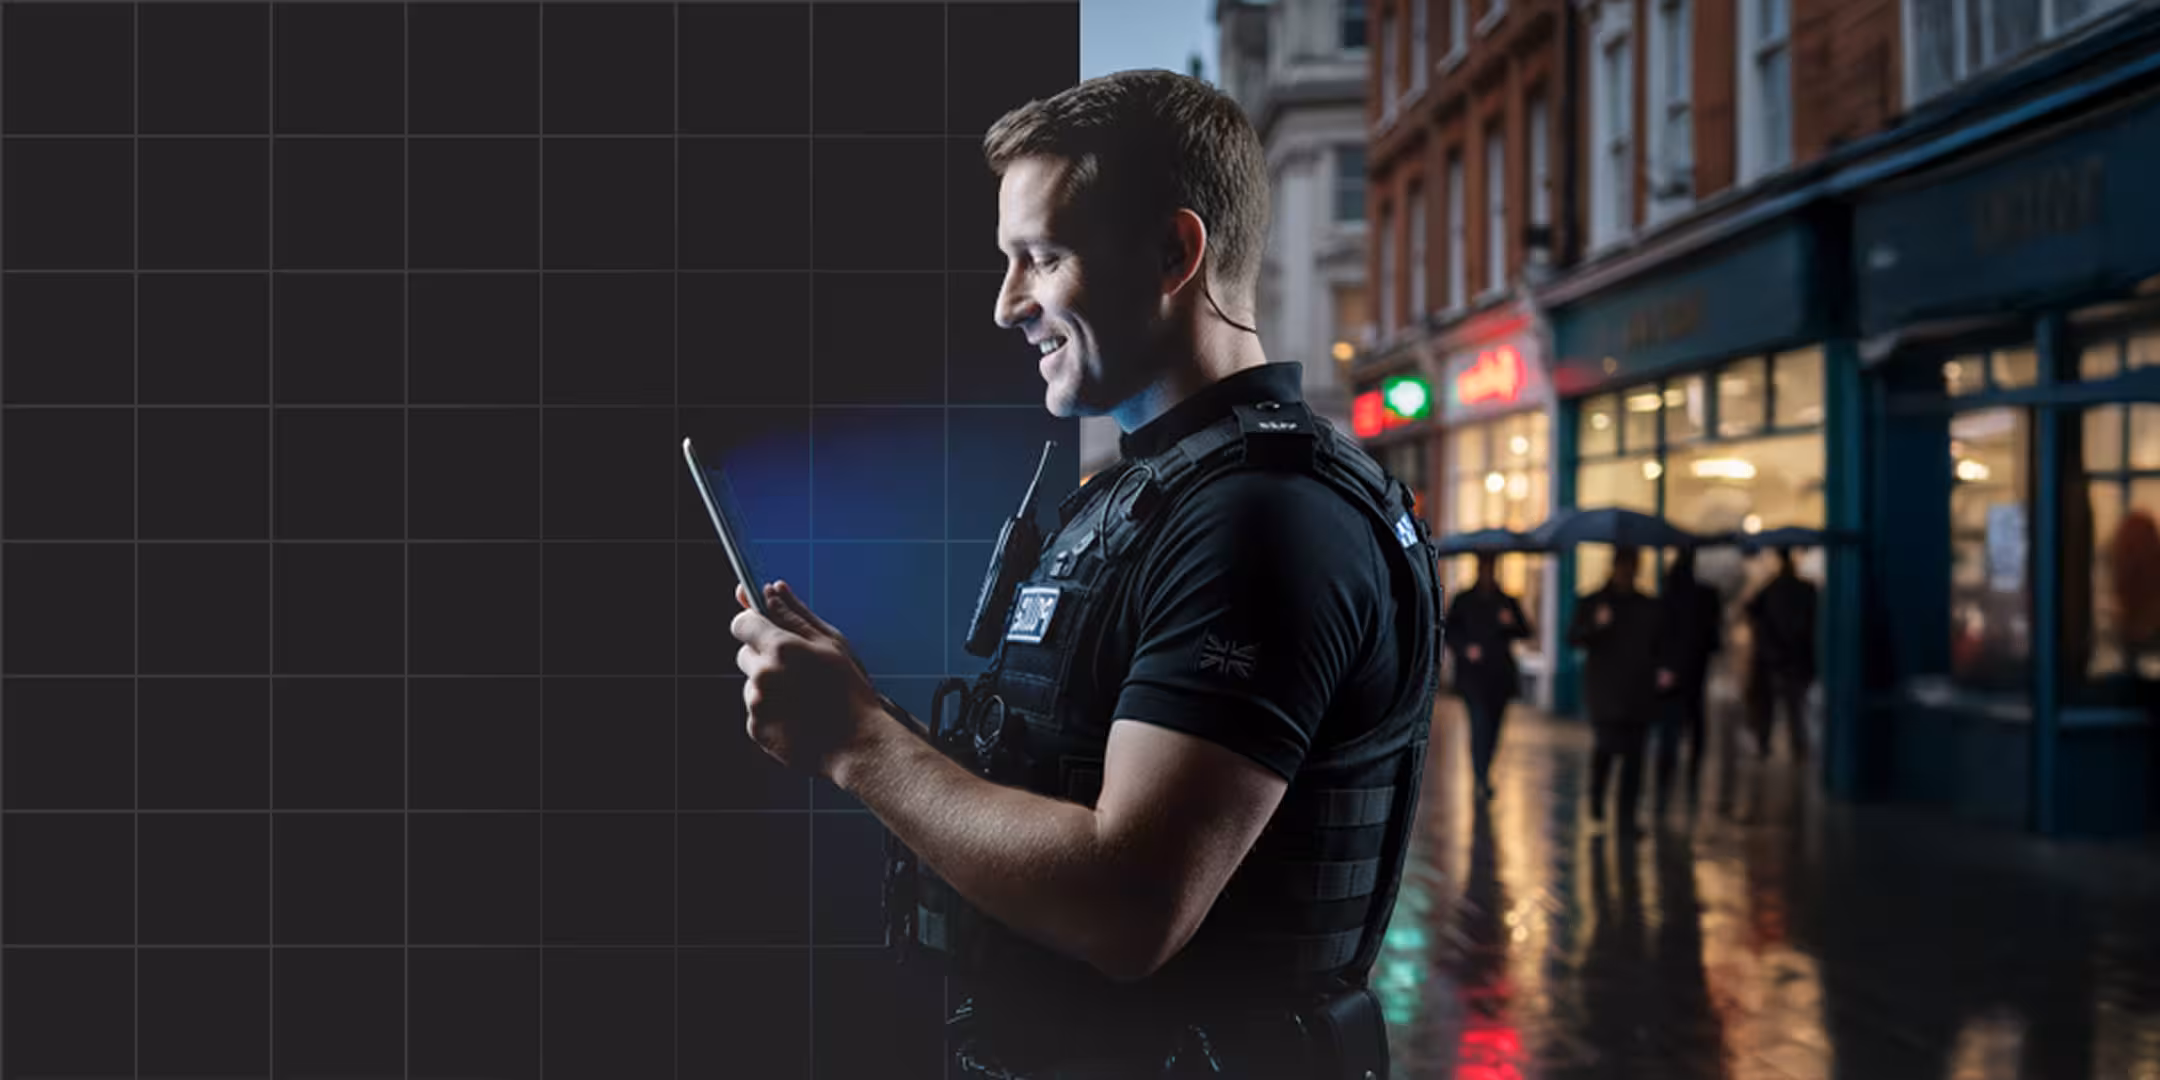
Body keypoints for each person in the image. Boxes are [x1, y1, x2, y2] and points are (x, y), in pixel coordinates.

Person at [727, 70, 1444, 1079]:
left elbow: (1128, 904)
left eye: (1042, 257)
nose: (1006, 304)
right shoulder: (1154, 492)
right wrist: (855, 707)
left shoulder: (1261, 518)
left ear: (1173, 253)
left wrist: (861, 745)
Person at [1568, 545, 1663, 834]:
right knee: (1606, 748)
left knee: (1635, 758)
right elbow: (1574, 637)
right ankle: (1597, 799)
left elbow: (1658, 645)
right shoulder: (1595, 602)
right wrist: (1598, 626)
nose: (1628, 573)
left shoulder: (1647, 606)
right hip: (1605, 692)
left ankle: (1627, 817)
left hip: (1638, 692)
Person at [1445, 551, 1533, 800]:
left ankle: (1485, 770)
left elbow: (1524, 630)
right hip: (1473, 677)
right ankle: (1480, 777)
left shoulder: (1506, 600)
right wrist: (1465, 648)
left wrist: (1510, 621)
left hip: (1500, 676)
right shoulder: (1463, 600)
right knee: (1479, 725)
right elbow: (1450, 631)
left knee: (1494, 729)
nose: (1487, 572)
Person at [1652, 548, 1722, 818]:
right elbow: (1713, 640)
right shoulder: (1705, 597)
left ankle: (1666, 782)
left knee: (1672, 731)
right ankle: (1690, 776)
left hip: (1675, 674)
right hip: (1692, 672)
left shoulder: (1670, 596)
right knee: (1693, 726)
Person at [1744, 547, 1818, 761]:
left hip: (1775, 656)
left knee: (1769, 706)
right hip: (1796, 657)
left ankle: (1765, 744)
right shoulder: (1806, 590)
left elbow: (1751, 610)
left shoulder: (1772, 588)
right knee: (1795, 707)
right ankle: (1797, 748)